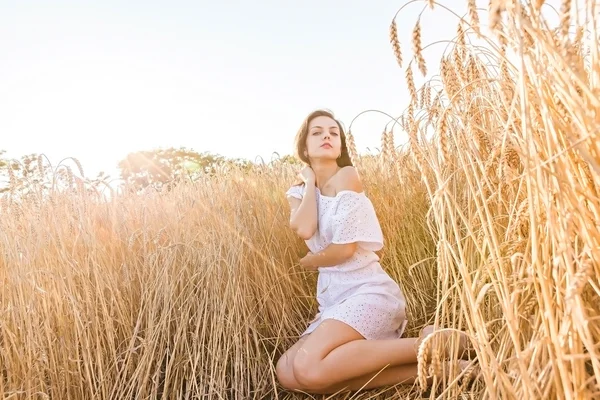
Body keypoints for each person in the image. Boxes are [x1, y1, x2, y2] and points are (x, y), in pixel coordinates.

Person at [275, 109, 475, 394]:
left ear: (341, 145)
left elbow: (344, 250)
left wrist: (311, 260)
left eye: (333, 132)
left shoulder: (347, 176)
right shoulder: (298, 192)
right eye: (317, 132)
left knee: (308, 369)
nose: (327, 136)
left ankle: (436, 344)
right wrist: (308, 183)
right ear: (304, 147)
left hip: (367, 292)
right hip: (333, 301)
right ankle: (440, 371)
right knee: (289, 374)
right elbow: (305, 228)